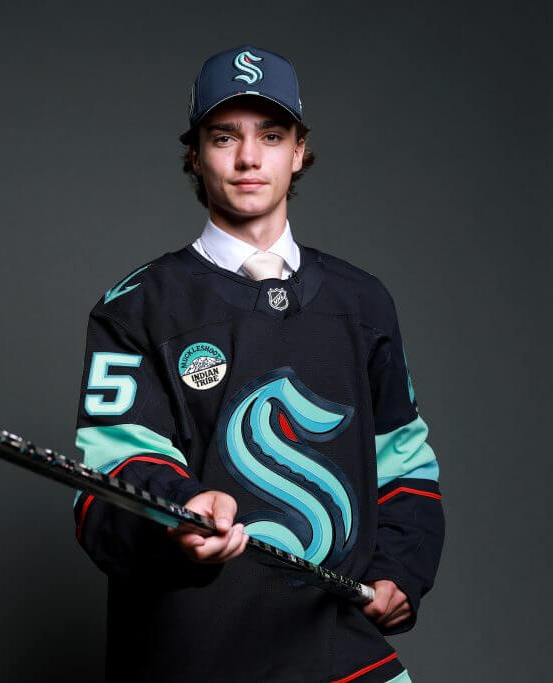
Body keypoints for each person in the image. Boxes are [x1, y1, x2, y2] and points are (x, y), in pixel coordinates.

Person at [72, 44, 444, 683]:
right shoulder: (136, 307)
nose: (249, 157)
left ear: (298, 151)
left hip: (338, 649)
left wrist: (399, 573)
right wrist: (179, 515)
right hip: (192, 654)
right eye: (225, 137)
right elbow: (110, 478)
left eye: (271, 136)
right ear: (196, 155)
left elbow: (405, 462)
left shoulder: (364, 301)